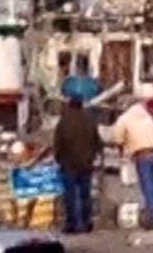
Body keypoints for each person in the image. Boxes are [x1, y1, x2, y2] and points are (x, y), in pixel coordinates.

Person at [107, 92, 153, 228]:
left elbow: (117, 139)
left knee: (147, 186)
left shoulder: (124, 119)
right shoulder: (146, 115)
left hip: (142, 154)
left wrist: (121, 148)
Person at [51, 85, 102, 234]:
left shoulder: (64, 121)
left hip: (69, 164)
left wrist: (59, 159)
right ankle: (87, 223)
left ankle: (72, 224)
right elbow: (97, 142)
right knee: (86, 195)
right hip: (86, 163)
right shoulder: (89, 120)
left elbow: (58, 143)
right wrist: (92, 157)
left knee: (70, 196)